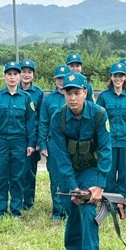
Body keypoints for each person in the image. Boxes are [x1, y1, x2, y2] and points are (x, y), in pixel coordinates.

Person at [48, 72, 112, 250]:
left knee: (86, 211)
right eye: (68, 93)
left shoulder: (99, 114)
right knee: (71, 209)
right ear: (63, 93)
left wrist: (99, 185)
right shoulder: (58, 117)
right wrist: (73, 187)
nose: (73, 97)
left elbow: (105, 150)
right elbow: (60, 156)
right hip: (69, 172)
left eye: (77, 93)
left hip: (90, 170)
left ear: (85, 92)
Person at [0, 61, 37, 218]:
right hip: (1, 141)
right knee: (1, 176)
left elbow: (30, 123)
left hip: (19, 142)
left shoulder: (26, 98)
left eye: (15, 74)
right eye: (9, 74)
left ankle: (15, 210)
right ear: (4, 76)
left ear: (20, 77)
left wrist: (31, 143)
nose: (12, 77)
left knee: (18, 177)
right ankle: (1, 210)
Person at [96, 62, 126, 199]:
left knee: (125, 174)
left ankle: (123, 202)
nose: (118, 79)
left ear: (125, 77)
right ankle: (109, 203)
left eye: (121, 76)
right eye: (115, 75)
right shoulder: (103, 97)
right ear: (111, 77)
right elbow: (98, 121)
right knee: (108, 173)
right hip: (108, 142)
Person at [40, 65, 72, 220]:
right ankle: (57, 211)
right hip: (54, 144)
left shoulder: (74, 96)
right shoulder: (48, 100)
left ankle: (70, 209)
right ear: (54, 80)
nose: (61, 81)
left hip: (72, 144)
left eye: (63, 78)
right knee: (56, 178)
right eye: (59, 78)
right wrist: (43, 144)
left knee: (71, 177)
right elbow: (43, 123)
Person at [19, 59, 44, 210]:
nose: (26, 75)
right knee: (16, 171)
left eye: (29, 72)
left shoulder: (39, 93)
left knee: (30, 171)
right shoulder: (13, 91)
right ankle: (17, 198)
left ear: (33, 75)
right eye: (23, 71)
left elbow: (42, 118)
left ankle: (28, 201)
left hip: (32, 138)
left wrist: (39, 141)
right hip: (17, 137)